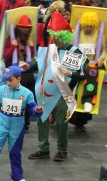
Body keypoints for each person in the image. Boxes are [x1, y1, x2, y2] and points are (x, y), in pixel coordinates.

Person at [28, 12, 85, 162]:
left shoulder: (74, 52)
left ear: (66, 36)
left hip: (63, 93)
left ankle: (62, 150)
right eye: (54, 37)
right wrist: (24, 67)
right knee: (42, 120)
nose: (56, 40)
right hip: (45, 92)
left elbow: (83, 75)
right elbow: (37, 64)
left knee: (62, 123)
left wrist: (71, 74)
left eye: (59, 37)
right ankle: (43, 149)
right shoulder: (50, 50)